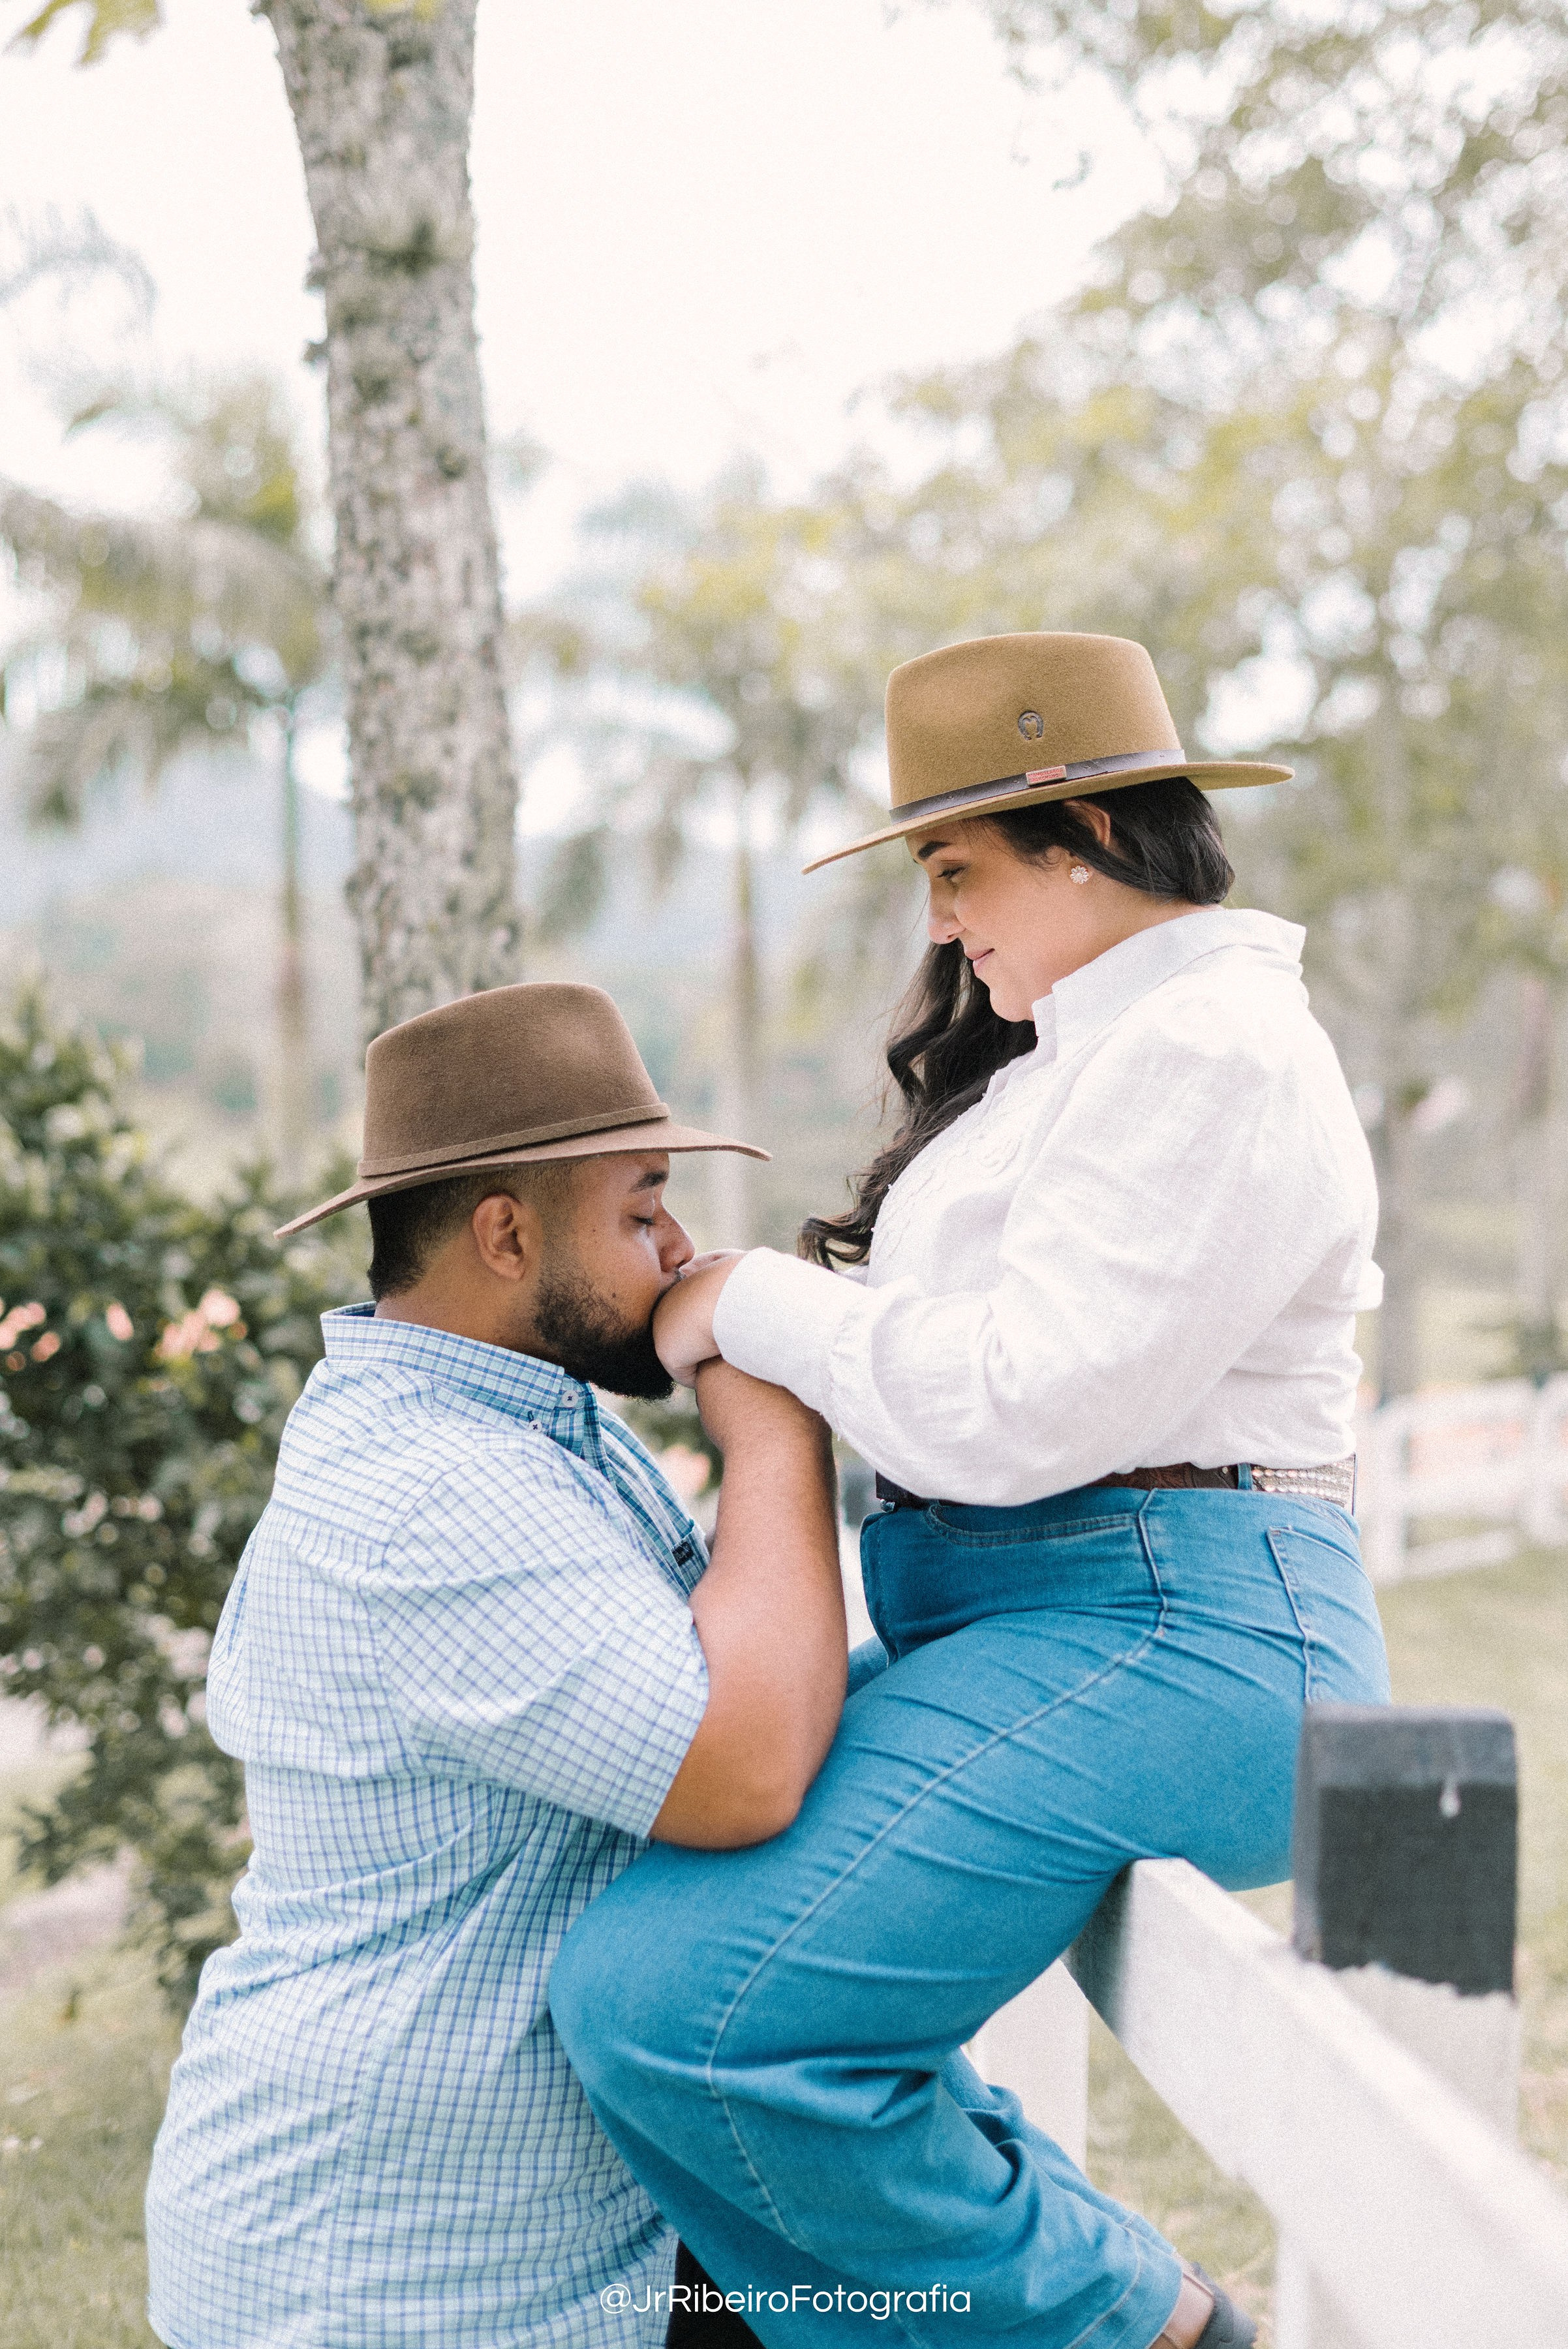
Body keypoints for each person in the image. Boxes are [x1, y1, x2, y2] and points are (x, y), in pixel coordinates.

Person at [550, 633, 1392, 2349]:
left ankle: (1144, 2326)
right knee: (640, 1967)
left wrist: (756, 1303)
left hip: (1177, 1622)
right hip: (1038, 1627)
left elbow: (1026, 1406)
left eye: (953, 869)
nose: (940, 919)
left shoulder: (1215, 1053)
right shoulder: (1075, 1059)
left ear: (1075, 836)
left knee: (689, 2014)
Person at [145, 982, 847, 2349]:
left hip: (546, 2247)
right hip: (386, 2287)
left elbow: (746, 1661)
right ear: (507, 1233)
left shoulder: (533, 1439)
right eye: (641, 1207)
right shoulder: (434, 1488)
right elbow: (745, 1768)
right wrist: (771, 1416)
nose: (680, 1244)